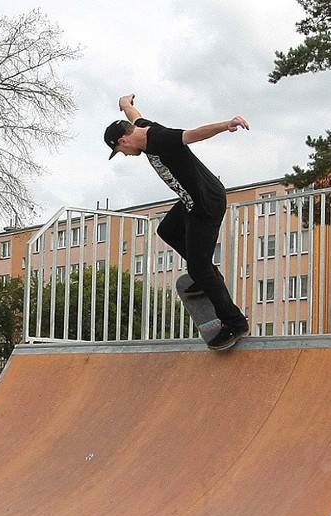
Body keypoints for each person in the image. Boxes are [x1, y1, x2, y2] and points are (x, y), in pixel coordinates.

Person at [104, 93, 250, 351]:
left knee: (201, 267)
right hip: (190, 201)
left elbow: (194, 133)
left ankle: (234, 322)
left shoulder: (161, 139)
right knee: (167, 230)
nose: (125, 155)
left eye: (120, 150)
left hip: (205, 204)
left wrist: (227, 124)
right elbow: (132, 113)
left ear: (124, 140)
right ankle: (201, 272)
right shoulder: (137, 127)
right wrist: (125, 102)